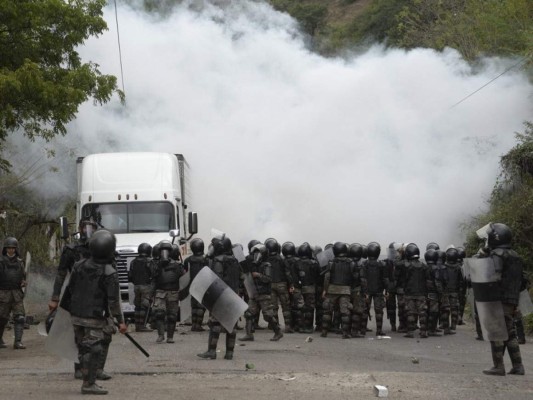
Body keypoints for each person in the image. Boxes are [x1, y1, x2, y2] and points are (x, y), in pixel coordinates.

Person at [63, 230, 127, 395]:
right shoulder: (109, 273)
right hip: (94, 317)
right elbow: (113, 302)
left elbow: (70, 289)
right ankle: (88, 383)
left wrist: (64, 310)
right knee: (93, 349)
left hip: (76, 315)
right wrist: (121, 322)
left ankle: (94, 374)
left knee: (88, 346)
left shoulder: (78, 265)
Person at [482, 223, 525, 376]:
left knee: (497, 332)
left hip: (498, 298)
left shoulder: (497, 255)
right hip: (512, 299)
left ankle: (498, 366)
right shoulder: (516, 256)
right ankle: (518, 366)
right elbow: (523, 281)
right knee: (511, 333)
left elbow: (494, 276)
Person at [197, 236, 240, 360]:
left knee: (215, 324)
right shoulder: (235, 260)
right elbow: (240, 278)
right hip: (234, 294)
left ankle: (211, 351)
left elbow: (216, 278)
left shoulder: (218, 260)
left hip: (221, 294)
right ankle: (229, 353)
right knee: (231, 325)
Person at [239, 243, 283, 342]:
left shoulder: (267, 265)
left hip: (264, 293)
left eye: (258, 254)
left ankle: (278, 331)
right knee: (249, 313)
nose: (256, 256)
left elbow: (268, 279)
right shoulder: (252, 265)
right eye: (255, 254)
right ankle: (249, 334)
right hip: (254, 292)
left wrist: (258, 275)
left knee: (268, 315)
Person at [321, 242, 356, 338]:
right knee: (345, 312)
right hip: (345, 290)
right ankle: (345, 333)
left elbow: (327, 277)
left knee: (327, 311)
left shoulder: (331, 262)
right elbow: (354, 277)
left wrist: (325, 289)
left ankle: (324, 332)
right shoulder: (351, 263)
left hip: (332, 289)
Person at [151, 240, 183, 343]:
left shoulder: (177, 265)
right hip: (160, 291)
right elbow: (152, 276)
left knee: (172, 316)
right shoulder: (155, 264)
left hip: (173, 292)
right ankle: (161, 335)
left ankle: (170, 337)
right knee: (159, 314)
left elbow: (182, 277)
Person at [0, 237, 26, 349]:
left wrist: (24, 282)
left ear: (16, 249)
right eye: (9, 248)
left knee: (20, 317)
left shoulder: (20, 263)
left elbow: (23, 277)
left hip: (16, 294)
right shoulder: (0, 262)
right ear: (5, 249)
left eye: (13, 248)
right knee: (2, 318)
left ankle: (18, 342)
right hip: (3, 294)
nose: (11, 250)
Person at [402, 243, 432, 338]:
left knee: (410, 312)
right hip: (421, 293)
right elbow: (428, 281)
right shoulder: (424, 266)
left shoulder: (406, 267)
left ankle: (410, 332)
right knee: (423, 313)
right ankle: (423, 332)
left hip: (409, 293)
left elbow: (404, 280)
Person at [265, 238, 294, 333]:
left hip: (270, 285)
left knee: (273, 307)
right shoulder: (282, 259)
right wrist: (291, 284)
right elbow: (288, 273)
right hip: (282, 284)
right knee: (286, 306)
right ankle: (288, 326)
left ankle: (274, 326)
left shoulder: (265, 259)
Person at [361, 242, 389, 336]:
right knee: (379, 311)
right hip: (378, 291)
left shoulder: (364, 264)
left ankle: (363, 330)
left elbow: (363, 279)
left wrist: (364, 291)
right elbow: (385, 279)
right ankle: (379, 330)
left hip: (367, 291)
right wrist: (387, 290)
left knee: (365, 310)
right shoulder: (382, 264)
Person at [183, 238, 208, 331]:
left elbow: (185, 273)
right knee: (201, 306)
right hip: (203, 285)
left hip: (192, 285)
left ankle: (194, 325)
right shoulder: (206, 259)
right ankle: (198, 325)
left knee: (194, 305)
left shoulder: (187, 260)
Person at [128, 243, 153, 332]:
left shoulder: (133, 262)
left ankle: (137, 325)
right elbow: (153, 273)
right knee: (144, 306)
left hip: (136, 286)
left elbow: (130, 275)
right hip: (146, 285)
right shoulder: (150, 261)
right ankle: (142, 326)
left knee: (137, 306)